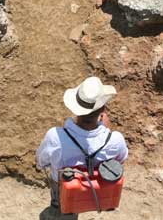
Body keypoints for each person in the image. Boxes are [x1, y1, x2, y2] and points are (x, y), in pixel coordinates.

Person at [36, 76, 129, 208]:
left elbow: (42, 161)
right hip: (99, 187)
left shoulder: (55, 137)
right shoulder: (116, 140)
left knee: (61, 197)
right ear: (103, 109)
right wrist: (106, 131)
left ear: (75, 109)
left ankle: (59, 205)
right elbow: (121, 160)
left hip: (64, 184)